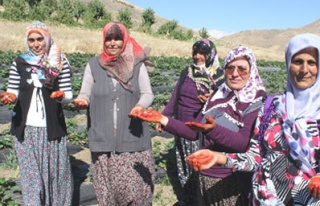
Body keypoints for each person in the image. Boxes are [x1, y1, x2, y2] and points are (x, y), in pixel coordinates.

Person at [186, 33, 320, 205]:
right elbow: (256, 157)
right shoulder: (272, 106)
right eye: (298, 62)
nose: (304, 70)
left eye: (312, 62)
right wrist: (218, 157)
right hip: (263, 199)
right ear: (288, 64)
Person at [131, 45, 266, 205]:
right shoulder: (219, 94)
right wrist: (163, 119)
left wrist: (213, 130)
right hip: (204, 176)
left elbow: (242, 142)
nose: (235, 74)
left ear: (252, 71)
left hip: (231, 182)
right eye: (230, 68)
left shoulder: (256, 102)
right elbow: (195, 132)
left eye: (242, 69)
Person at [72, 21, 155, 206]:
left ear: (124, 40)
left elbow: (148, 93)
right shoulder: (94, 64)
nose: (113, 43)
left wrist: (140, 106)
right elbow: (84, 92)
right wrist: (82, 101)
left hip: (132, 140)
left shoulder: (136, 64)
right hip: (103, 142)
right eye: (109, 38)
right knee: (108, 195)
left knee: (133, 193)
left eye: (117, 38)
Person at [0, 21, 73, 205]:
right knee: (32, 180)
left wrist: (60, 96)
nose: (36, 44)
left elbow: (68, 94)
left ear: (47, 39)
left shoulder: (58, 61)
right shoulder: (20, 62)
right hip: (26, 130)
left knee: (55, 177)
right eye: (31, 40)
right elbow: (13, 90)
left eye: (40, 39)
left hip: (52, 129)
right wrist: (9, 96)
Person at [156, 38, 224, 205]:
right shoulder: (186, 72)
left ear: (210, 55)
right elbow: (175, 98)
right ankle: (187, 198)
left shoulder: (219, 76)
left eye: (202, 53)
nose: (198, 56)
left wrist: (211, 100)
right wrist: (164, 117)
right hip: (181, 127)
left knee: (198, 168)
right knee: (183, 165)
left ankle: (199, 200)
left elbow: (225, 104)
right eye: (196, 53)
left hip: (199, 132)